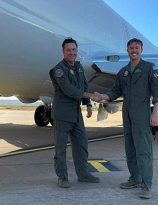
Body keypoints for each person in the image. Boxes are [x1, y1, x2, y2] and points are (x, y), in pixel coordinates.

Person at [95, 38, 158, 199]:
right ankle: (135, 178)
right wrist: (102, 96)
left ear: (141, 50)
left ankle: (146, 186)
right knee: (130, 148)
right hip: (127, 115)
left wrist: (156, 112)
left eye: (137, 48)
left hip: (142, 115)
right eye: (131, 48)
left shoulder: (149, 68)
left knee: (144, 151)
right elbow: (115, 91)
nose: (134, 50)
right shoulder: (123, 72)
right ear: (127, 50)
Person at [49, 37, 101, 188]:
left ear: (76, 51)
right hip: (62, 113)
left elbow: (84, 85)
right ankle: (62, 177)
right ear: (63, 51)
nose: (72, 53)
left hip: (76, 114)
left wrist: (88, 104)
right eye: (68, 50)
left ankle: (83, 174)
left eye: (74, 50)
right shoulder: (58, 70)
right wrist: (90, 96)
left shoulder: (78, 67)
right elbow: (69, 90)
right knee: (61, 148)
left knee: (81, 145)